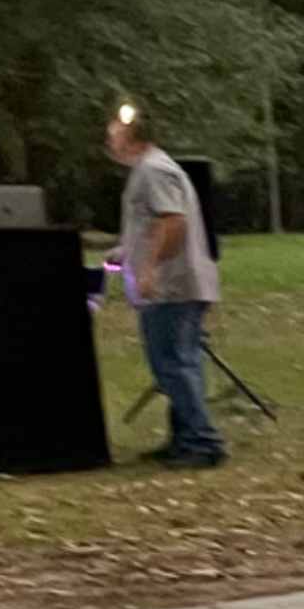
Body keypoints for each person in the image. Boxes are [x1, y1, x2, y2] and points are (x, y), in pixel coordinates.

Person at [107, 109, 226, 466]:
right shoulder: (153, 169)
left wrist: (150, 269)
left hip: (172, 286)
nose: (108, 143)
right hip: (178, 283)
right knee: (179, 362)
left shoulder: (153, 170)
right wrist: (124, 254)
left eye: (113, 136)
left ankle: (203, 442)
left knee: (173, 364)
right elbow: (152, 224)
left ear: (131, 138)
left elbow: (172, 221)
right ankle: (184, 438)